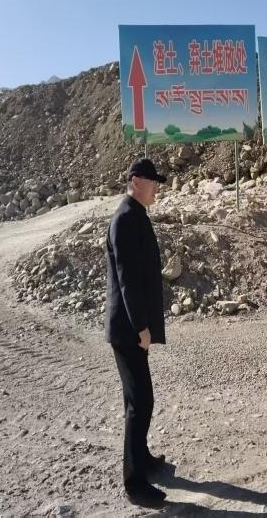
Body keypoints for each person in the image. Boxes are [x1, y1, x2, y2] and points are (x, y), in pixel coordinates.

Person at [105, 158, 167, 508]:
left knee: (140, 399)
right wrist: (141, 327)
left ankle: (141, 458)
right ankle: (134, 483)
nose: (157, 187)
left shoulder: (136, 214)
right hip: (128, 329)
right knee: (139, 402)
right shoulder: (126, 218)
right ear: (136, 182)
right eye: (153, 181)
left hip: (133, 327)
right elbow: (127, 279)